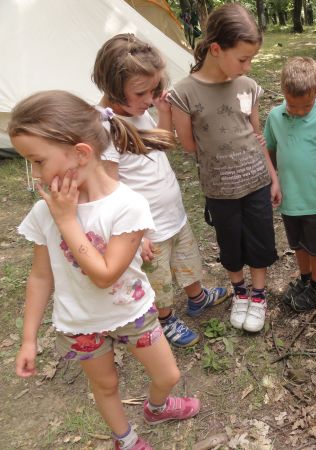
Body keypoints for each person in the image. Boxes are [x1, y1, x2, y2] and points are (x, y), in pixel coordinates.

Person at [11, 91, 200, 450]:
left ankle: (156, 408)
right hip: (80, 322)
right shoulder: (44, 211)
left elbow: (105, 274)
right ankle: (124, 439)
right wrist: (29, 338)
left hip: (133, 312)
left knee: (168, 374)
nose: (34, 174)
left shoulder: (127, 205)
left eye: (37, 161)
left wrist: (67, 220)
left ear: (81, 153)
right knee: (106, 385)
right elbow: (40, 275)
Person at [93, 33, 227, 348]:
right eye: (143, 92)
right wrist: (134, 234)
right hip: (146, 227)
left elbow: (160, 143)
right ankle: (165, 318)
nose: (150, 98)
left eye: (154, 90)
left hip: (172, 214)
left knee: (187, 259)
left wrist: (163, 111)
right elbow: (107, 190)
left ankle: (197, 297)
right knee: (160, 278)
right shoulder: (103, 128)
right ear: (112, 86)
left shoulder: (136, 107)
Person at [169, 4, 280, 333]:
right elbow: (188, 145)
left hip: (257, 182)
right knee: (229, 243)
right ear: (216, 49)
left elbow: (257, 135)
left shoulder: (247, 85)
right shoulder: (183, 93)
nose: (248, 66)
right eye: (243, 59)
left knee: (260, 240)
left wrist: (273, 177)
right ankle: (240, 291)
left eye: (251, 59)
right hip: (219, 189)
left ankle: (258, 295)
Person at [263, 56, 316, 311]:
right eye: (292, 105)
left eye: (305, 106)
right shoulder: (275, 117)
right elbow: (270, 150)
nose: (297, 111)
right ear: (284, 92)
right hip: (289, 199)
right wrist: (273, 178)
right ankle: (305, 279)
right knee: (297, 244)